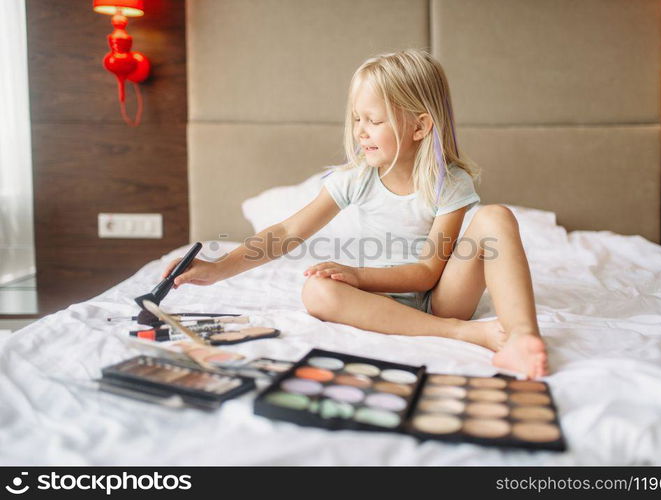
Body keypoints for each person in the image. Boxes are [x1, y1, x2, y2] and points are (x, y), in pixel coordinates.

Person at [162, 49, 548, 379]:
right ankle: (462, 335)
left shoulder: (449, 183)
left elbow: (429, 272)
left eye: (375, 121)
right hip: (376, 299)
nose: (362, 131)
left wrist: (358, 275)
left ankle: (522, 337)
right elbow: (287, 230)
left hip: (439, 299)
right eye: (358, 119)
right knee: (316, 291)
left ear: (420, 126)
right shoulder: (355, 179)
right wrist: (216, 268)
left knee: (496, 216)